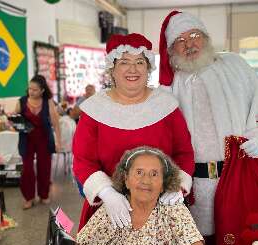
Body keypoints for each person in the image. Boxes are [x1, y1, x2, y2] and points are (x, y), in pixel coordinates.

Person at [159, 11, 258, 245]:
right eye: (179, 40)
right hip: (195, 186)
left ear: (206, 38)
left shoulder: (235, 66)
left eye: (194, 36)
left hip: (238, 176)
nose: (189, 44)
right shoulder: (170, 85)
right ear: (170, 50)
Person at [72, 33, 194, 231]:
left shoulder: (166, 106)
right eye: (124, 62)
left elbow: (184, 153)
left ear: (148, 68)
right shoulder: (94, 109)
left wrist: (177, 185)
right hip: (110, 208)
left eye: (139, 62)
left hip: (162, 206)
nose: (133, 69)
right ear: (112, 69)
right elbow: (83, 161)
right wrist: (107, 193)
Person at [77, 147, 213, 245]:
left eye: (154, 174)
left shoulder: (173, 212)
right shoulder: (112, 209)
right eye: (139, 172)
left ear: (163, 184)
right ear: (126, 180)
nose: (146, 180)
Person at [16, 75, 62, 209]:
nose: (31, 91)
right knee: (27, 170)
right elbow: (14, 117)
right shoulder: (22, 101)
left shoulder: (48, 101)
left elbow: (56, 123)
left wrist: (58, 142)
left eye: (35, 89)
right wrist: (11, 120)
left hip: (43, 138)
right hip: (27, 139)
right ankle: (28, 198)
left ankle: (44, 194)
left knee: (44, 167)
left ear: (42, 90)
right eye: (30, 88)